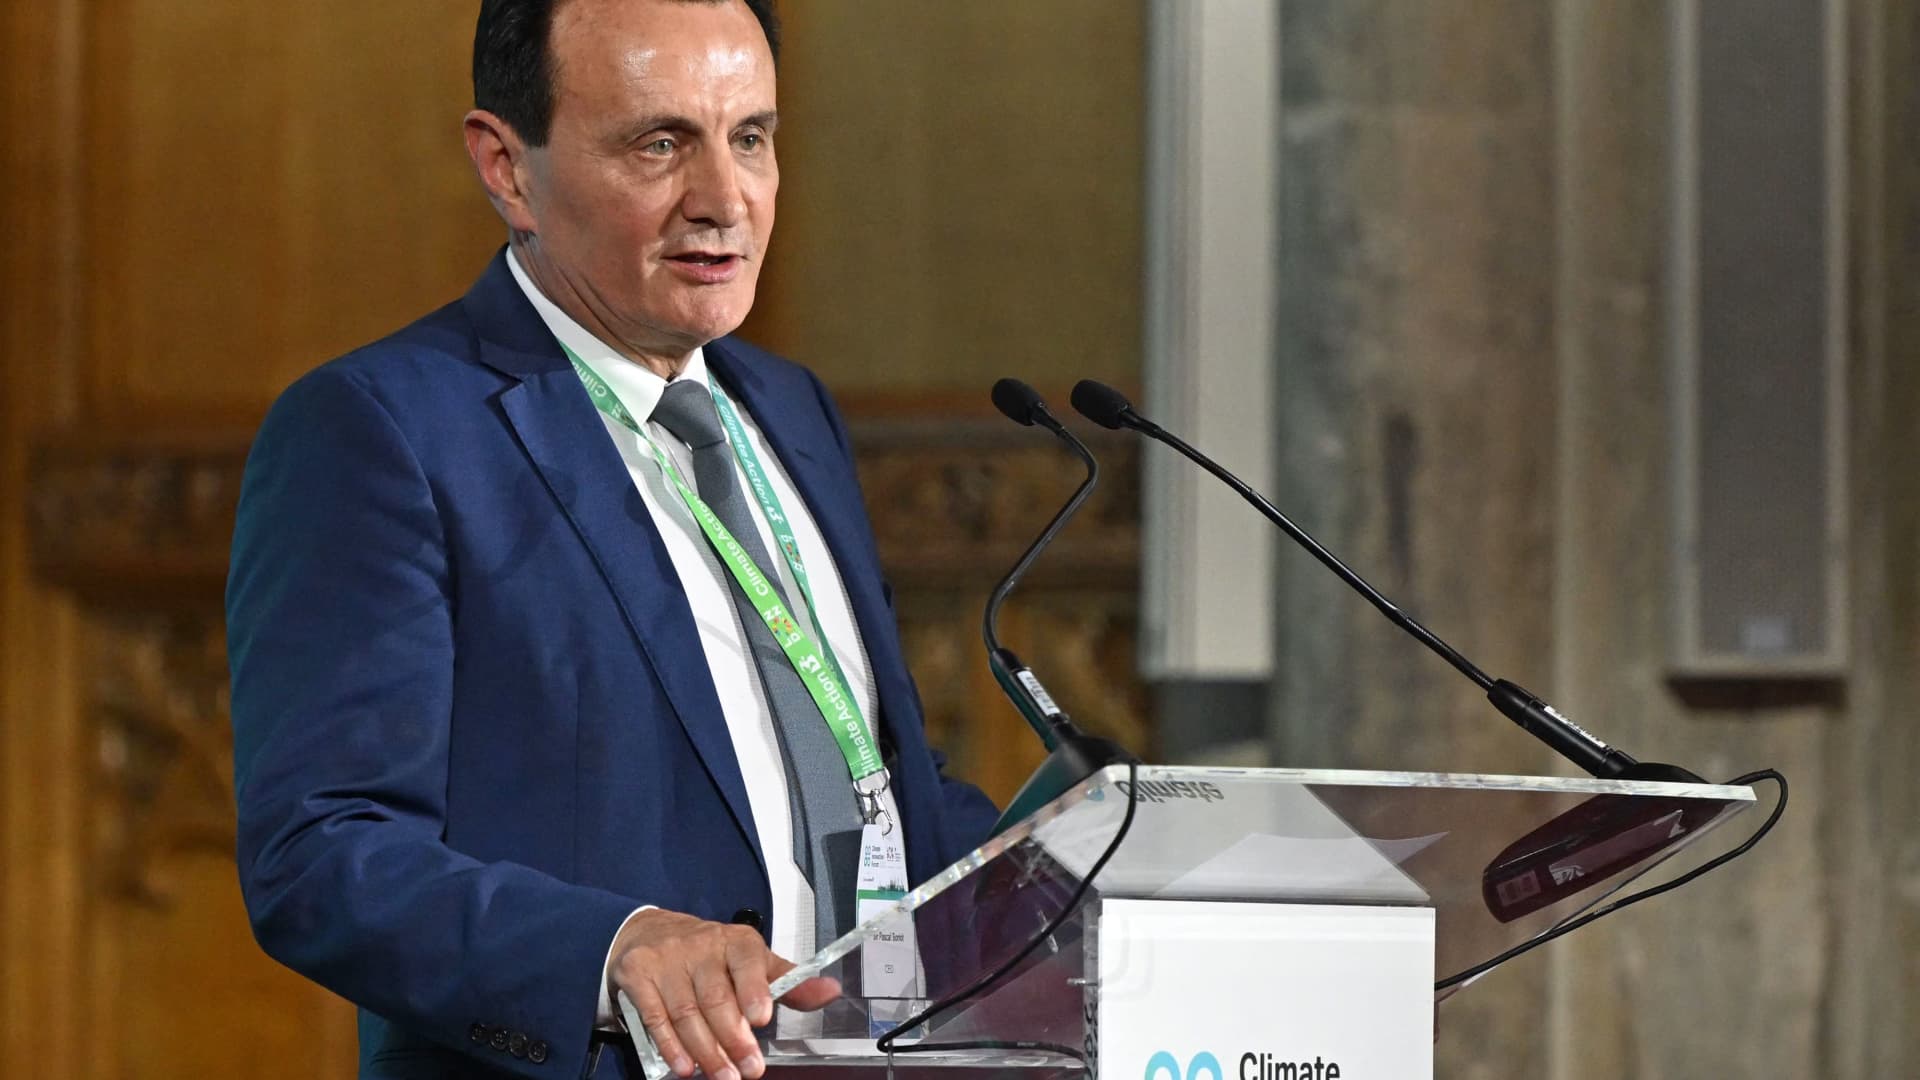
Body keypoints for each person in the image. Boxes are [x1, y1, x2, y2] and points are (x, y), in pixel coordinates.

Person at [225, 1, 1000, 1078]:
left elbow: (865, 776)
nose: (724, 199)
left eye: (751, 137)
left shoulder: (791, 410)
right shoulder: (383, 430)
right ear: (507, 169)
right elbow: (320, 853)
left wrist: (1094, 863)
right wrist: (612, 948)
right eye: (660, 144)